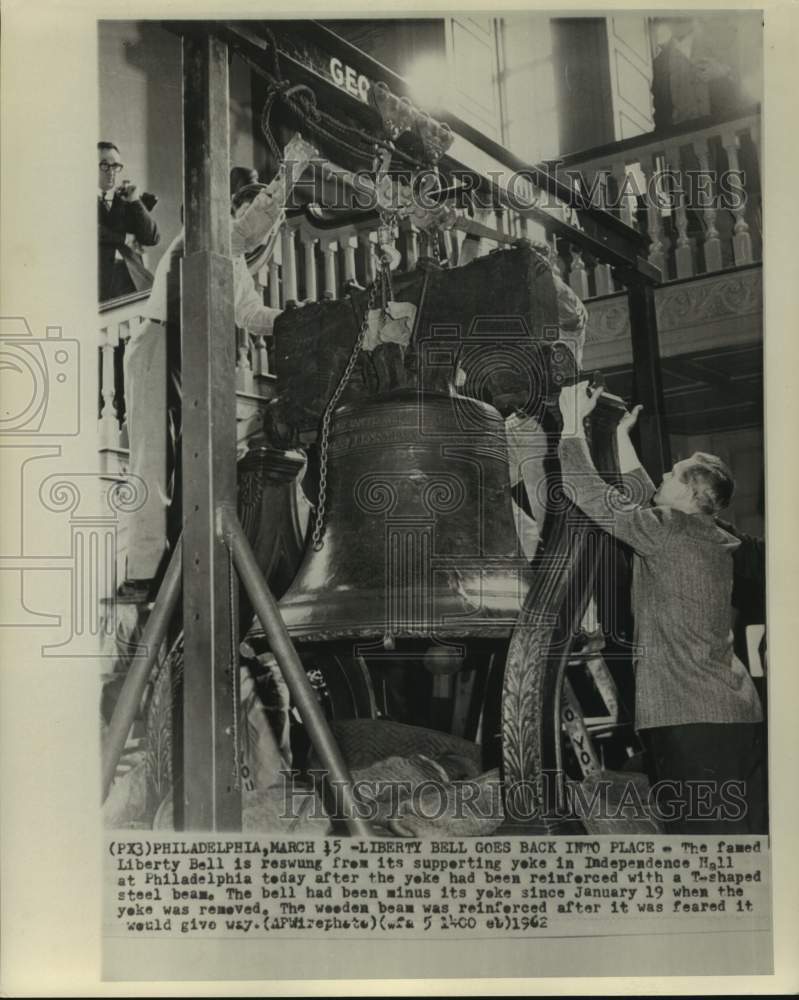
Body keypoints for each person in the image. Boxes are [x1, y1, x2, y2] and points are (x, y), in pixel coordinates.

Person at [556, 381, 765, 833]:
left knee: (705, 851)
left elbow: (585, 490)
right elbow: (644, 496)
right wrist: (620, 437)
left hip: (691, 720)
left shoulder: (667, 530)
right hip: (734, 713)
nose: (664, 477)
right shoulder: (708, 533)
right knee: (742, 841)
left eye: (673, 474)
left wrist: (571, 421)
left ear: (689, 497)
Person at [120, 135, 315, 597]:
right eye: (249, 208)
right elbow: (248, 229)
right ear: (232, 208)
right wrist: (289, 175)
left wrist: (300, 320)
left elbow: (249, 314)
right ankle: (144, 572)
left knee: (194, 462)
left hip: (191, 355)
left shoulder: (235, 264)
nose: (258, 222)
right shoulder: (208, 231)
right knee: (151, 459)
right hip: (158, 342)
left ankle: (179, 566)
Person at [98, 141, 160, 301]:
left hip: (130, 282)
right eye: (104, 165)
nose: (111, 171)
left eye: (115, 166)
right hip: (95, 284)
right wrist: (125, 238)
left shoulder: (127, 201)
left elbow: (152, 238)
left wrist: (135, 201)